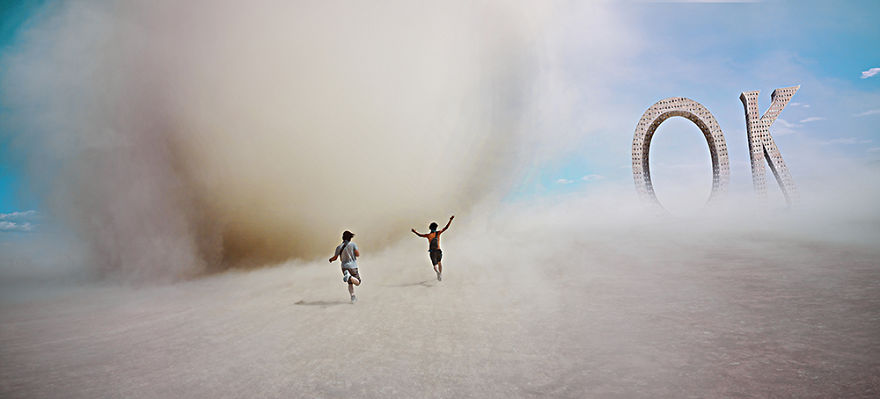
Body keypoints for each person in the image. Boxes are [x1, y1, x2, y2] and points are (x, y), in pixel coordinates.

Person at [411, 215, 454, 281]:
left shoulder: (428, 235)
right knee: (439, 262)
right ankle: (441, 274)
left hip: (432, 252)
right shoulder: (438, 233)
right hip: (438, 251)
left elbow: (420, 235)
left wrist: (415, 232)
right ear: (436, 228)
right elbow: (446, 227)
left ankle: (437, 272)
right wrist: (450, 220)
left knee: (435, 265)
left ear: (430, 228)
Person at [329, 230, 361, 303]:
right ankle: (349, 277)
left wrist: (330, 259)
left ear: (343, 238)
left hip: (344, 267)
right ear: (350, 238)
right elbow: (357, 254)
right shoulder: (353, 245)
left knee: (350, 283)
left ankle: (353, 297)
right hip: (353, 266)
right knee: (358, 282)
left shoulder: (339, 247)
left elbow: (335, 258)